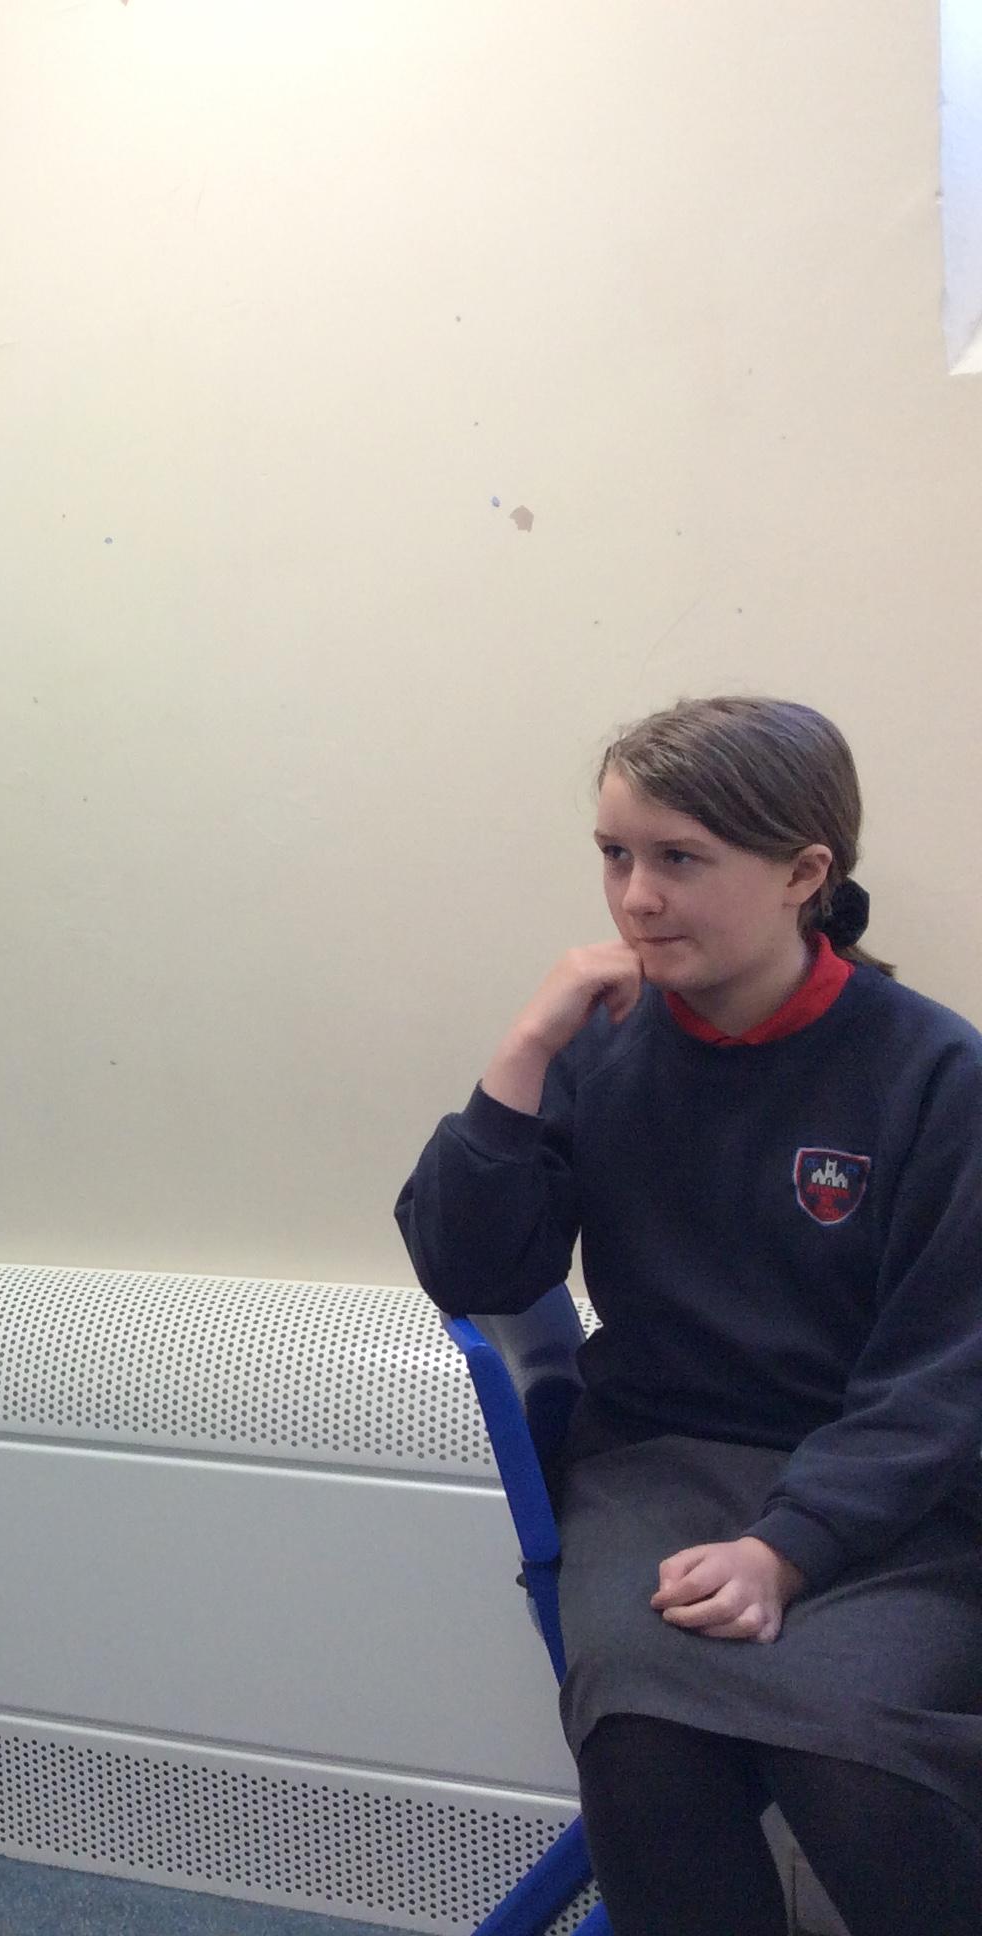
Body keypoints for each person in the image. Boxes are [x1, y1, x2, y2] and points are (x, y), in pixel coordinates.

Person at [396, 696, 982, 1936]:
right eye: (615, 855)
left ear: (804, 874)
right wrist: (525, 1048)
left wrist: (789, 1547)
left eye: (678, 858)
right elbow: (466, 1266)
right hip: (658, 1467)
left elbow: (947, 1374)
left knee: (857, 1761)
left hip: (896, 1500)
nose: (637, 898)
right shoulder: (601, 1045)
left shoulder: (935, 1072)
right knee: (645, 1746)